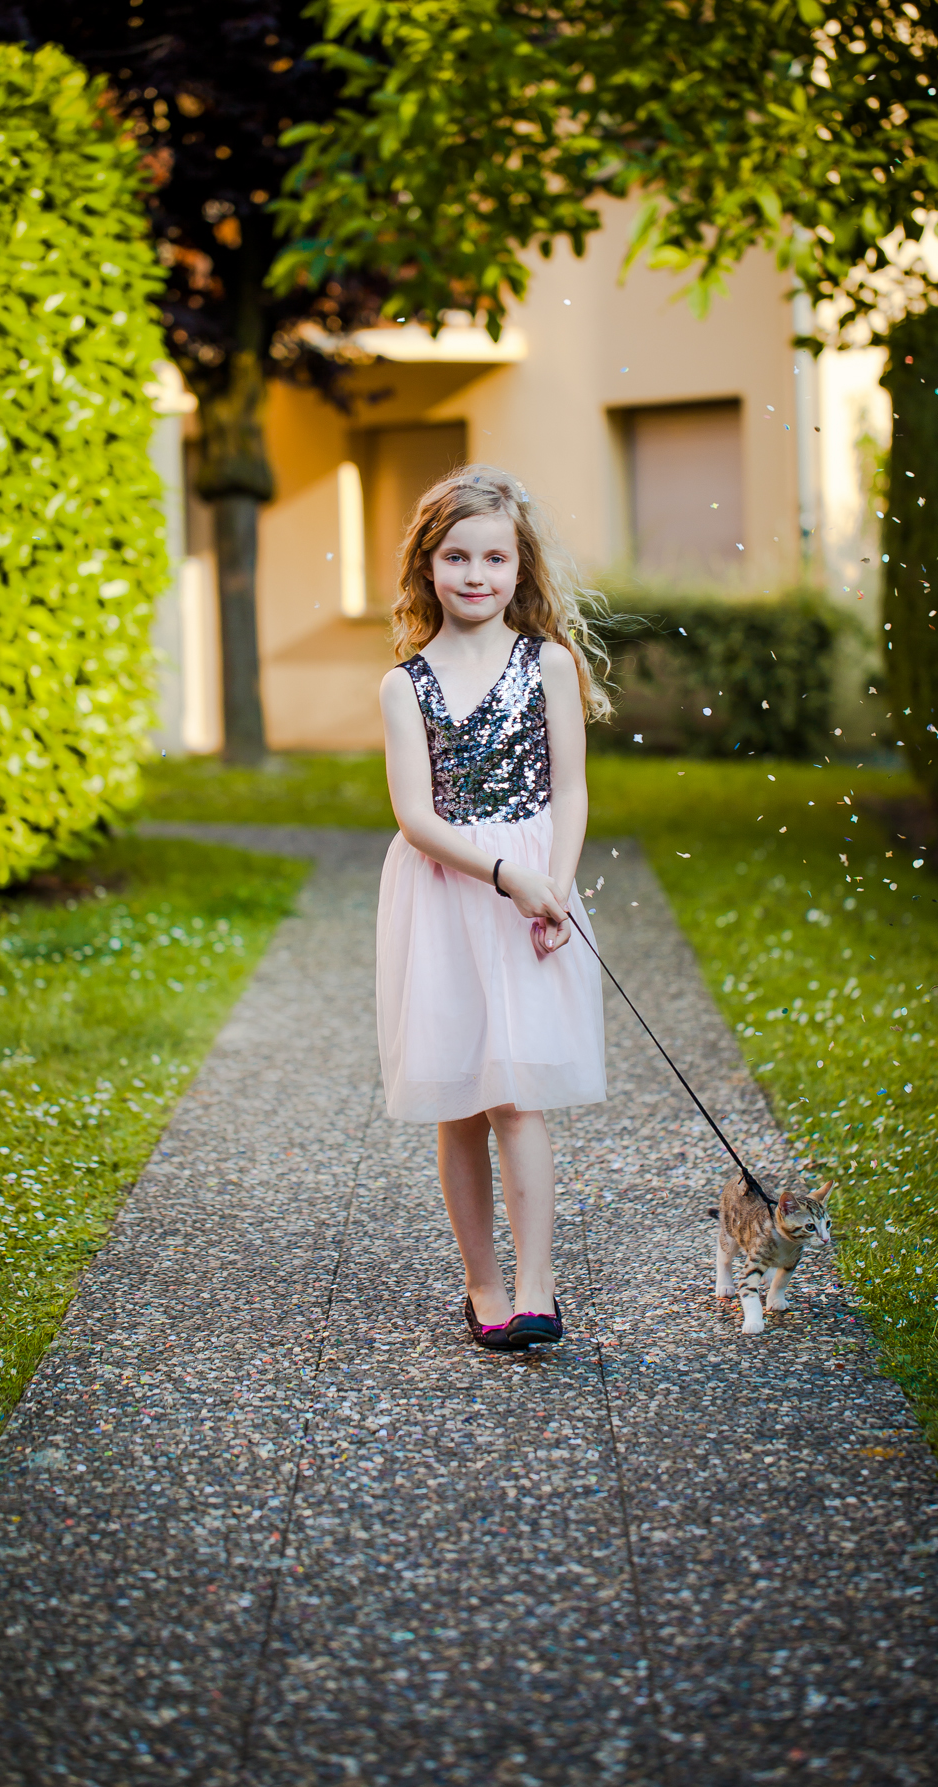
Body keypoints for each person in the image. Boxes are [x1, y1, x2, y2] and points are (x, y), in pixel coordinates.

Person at [377, 465, 609, 1352]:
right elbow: (416, 818)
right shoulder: (405, 686)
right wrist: (508, 873)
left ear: (521, 568)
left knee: (518, 1096)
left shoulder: (548, 664)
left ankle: (539, 1286)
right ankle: (485, 1286)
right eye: (456, 557)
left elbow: (570, 790)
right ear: (427, 565)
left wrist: (555, 885)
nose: (475, 575)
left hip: (532, 899)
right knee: (462, 1100)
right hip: (448, 898)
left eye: (494, 558)